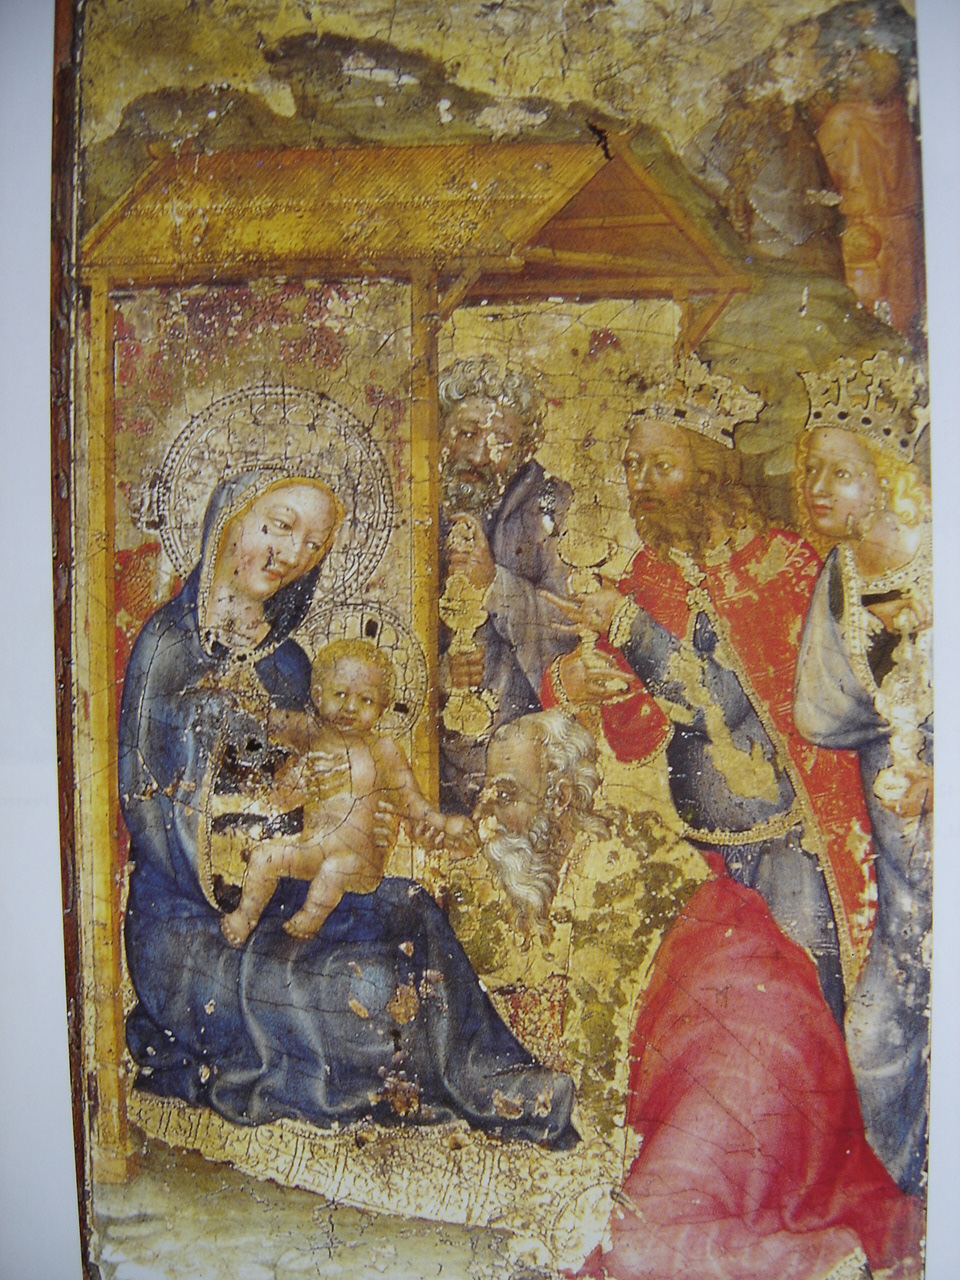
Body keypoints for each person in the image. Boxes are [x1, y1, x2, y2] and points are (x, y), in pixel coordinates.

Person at [119, 469, 576, 1145]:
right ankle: (450, 1080)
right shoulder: (168, 652)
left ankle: (496, 1078)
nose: (292, 554)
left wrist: (360, 817)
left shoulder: (290, 666)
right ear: (228, 519)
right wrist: (273, 798)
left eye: (314, 545)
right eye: (280, 526)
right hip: (196, 921)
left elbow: (336, 787)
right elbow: (155, 810)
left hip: (297, 885)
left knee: (412, 907)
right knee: (369, 997)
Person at [471, 712, 923, 1280]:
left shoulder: (616, 863)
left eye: (505, 794)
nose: (485, 813)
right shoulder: (557, 869)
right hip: (721, 1049)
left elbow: (595, 1063)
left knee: (641, 1246)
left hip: (748, 1046)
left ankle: (830, 1262)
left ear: (560, 798)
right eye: (483, 793)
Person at [544, 366, 874, 1028]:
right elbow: (633, 734)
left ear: (711, 473)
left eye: (661, 465)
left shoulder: (782, 565)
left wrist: (627, 625)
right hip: (696, 854)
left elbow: (719, 703)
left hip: (789, 848)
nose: (641, 482)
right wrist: (578, 683)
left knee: (800, 1014)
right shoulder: (648, 574)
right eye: (632, 465)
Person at [793, 354, 932, 1194]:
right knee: (877, 1042)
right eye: (811, 470)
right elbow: (817, 712)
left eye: (839, 474)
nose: (816, 489)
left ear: (886, 480)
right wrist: (895, 730)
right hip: (904, 869)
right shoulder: (842, 576)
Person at [220, 638, 475, 946]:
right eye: (340, 694)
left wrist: (445, 823)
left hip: (359, 863)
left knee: (333, 869)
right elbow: (268, 726)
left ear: (382, 707)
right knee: (264, 856)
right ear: (318, 695)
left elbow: (412, 803)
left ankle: (310, 919)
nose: (351, 707)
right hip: (311, 850)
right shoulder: (312, 733)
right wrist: (239, 702)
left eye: (366, 699)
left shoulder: (383, 750)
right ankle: (245, 916)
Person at [438, 358, 577, 813]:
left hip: (517, 754)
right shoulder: (415, 499)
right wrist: (438, 675)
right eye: (466, 433)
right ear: (440, 431)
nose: (479, 456)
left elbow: (569, 628)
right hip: (426, 752)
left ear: (525, 449)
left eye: (501, 441)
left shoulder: (551, 506)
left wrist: (494, 583)